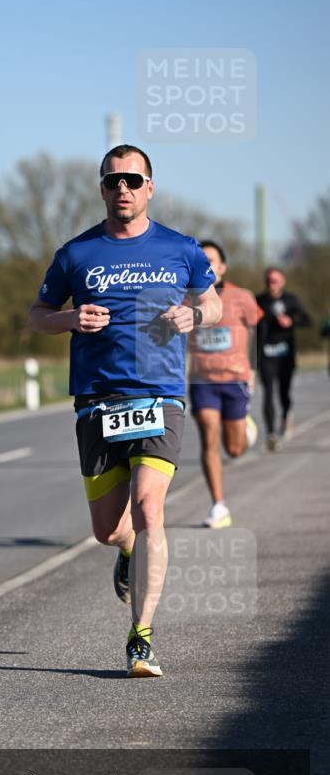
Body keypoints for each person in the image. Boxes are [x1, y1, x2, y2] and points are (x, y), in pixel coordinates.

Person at [28, 145, 222, 678]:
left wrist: (195, 313)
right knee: (109, 530)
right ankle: (127, 551)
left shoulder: (180, 248)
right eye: (113, 181)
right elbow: (36, 315)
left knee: (149, 508)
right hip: (96, 401)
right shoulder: (77, 253)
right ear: (102, 189)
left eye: (133, 180)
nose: (123, 190)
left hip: (160, 396)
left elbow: (215, 301)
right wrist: (69, 319)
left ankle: (141, 638)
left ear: (150, 187)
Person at [187, 241, 261, 528]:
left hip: (235, 380)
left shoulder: (242, 297)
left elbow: (258, 329)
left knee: (235, 448)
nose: (207, 265)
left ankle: (245, 426)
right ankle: (218, 506)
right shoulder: (187, 298)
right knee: (209, 437)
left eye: (212, 260)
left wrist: (252, 368)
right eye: (201, 260)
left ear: (223, 267)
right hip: (202, 380)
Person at [256, 268, 311, 451]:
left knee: (283, 393)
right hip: (266, 355)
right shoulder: (259, 301)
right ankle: (271, 434)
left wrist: (291, 321)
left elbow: (307, 320)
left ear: (283, 282)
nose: (272, 284)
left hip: (285, 355)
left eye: (275, 280)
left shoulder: (291, 300)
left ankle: (286, 414)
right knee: (268, 393)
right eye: (269, 280)